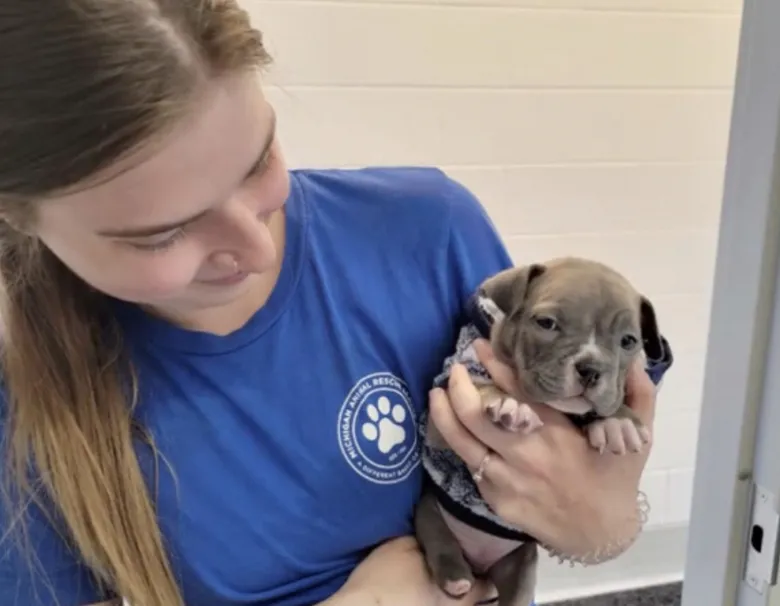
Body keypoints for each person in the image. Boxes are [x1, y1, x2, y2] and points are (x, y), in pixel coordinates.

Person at [0, 2, 667, 606]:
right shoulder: (21, 396)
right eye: (163, 234)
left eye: (257, 162)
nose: (256, 250)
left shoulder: (428, 232)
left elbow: (566, 493)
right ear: (19, 215)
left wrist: (601, 525)